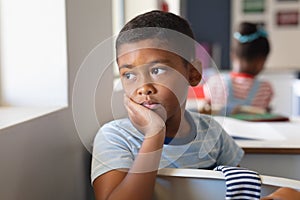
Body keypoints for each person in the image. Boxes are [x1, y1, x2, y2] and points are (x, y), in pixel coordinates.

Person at [91, 10, 244, 200]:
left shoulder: (213, 133)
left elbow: (241, 193)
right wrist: (154, 134)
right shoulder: (115, 137)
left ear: (193, 73)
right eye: (129, 75)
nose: (143, 87)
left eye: (157, 70)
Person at [203, 22, 274, 116]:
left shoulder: (214, 82)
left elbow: (206, 111)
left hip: (218, 130)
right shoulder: (265, 88)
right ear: (261, 61)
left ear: (232, 55)